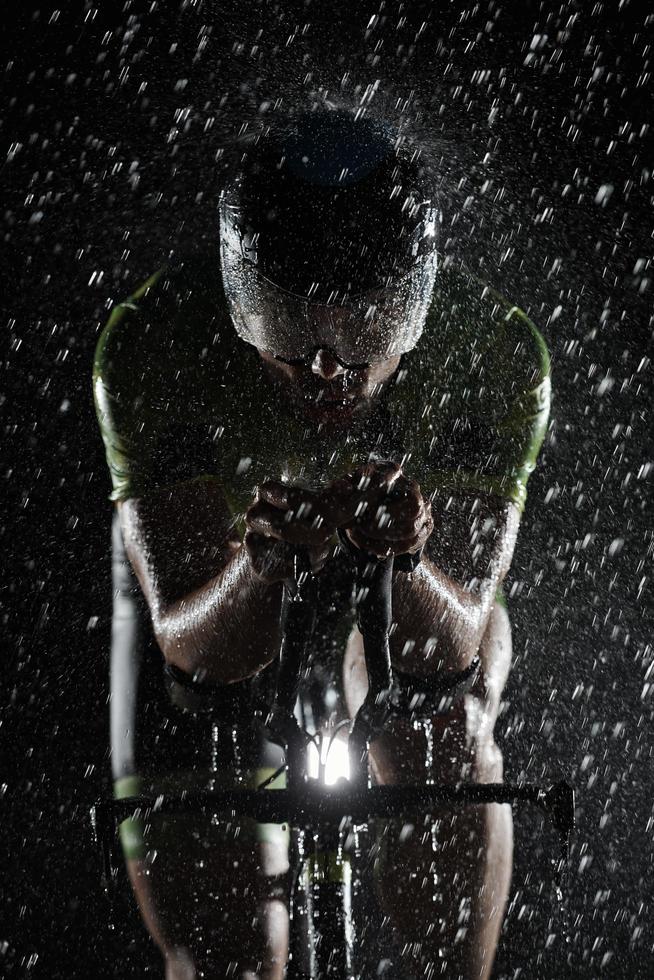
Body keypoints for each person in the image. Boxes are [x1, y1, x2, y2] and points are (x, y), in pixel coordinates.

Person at [94, 108, 550, 979]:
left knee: (451, 714)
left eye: (365, 327)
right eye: (284, 323)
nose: (325, 368)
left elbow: (449, 647)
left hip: (385, 581)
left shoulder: (492, 352)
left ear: (416, 306)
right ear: (238, 299)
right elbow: (195, 655)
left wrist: (411, 560)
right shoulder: (153, 345)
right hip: (221, 584)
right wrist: (260, 566)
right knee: (222, 930)